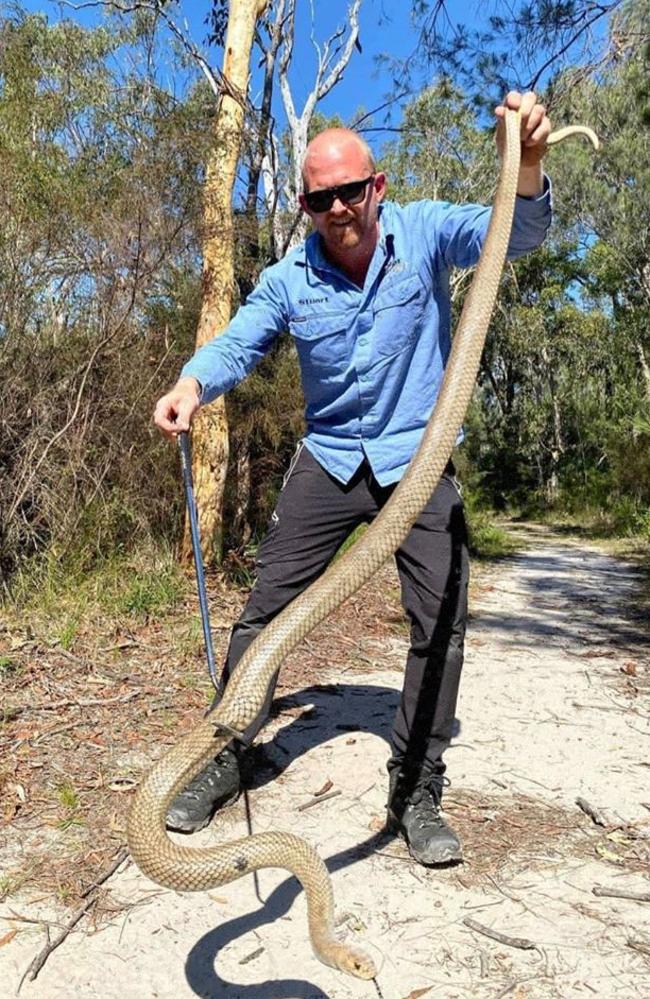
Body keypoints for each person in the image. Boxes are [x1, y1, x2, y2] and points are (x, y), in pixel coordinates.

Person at [154, 91, 553, 865]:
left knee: (440, 623)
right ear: (305, 204)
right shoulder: (289, 278)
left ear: (378, 185)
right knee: (265, 616)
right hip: (332, 457)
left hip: (419, 456)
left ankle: (417, 789)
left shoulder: (429, 230)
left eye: (351, 190)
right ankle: (229, 751)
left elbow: (521, 233)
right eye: (320, 197)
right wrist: (192, 385)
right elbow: (237, 343)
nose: (338, 207)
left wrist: (527, 164)